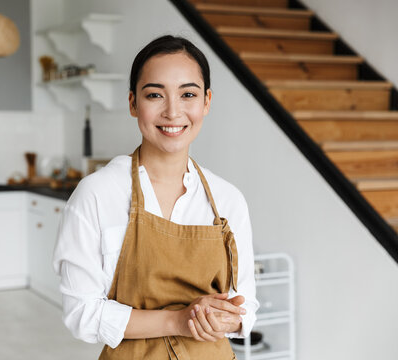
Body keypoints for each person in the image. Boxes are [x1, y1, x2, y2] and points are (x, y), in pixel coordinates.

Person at [52, 35, 259, 359]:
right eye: (155, 95)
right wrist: (179, 320)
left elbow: (246, 305)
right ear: (133, 103)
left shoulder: (228, 199)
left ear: (206, 101)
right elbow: (82, 314)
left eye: (188, 94)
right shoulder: (97, 194)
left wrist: (225, 317)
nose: (173, 111)